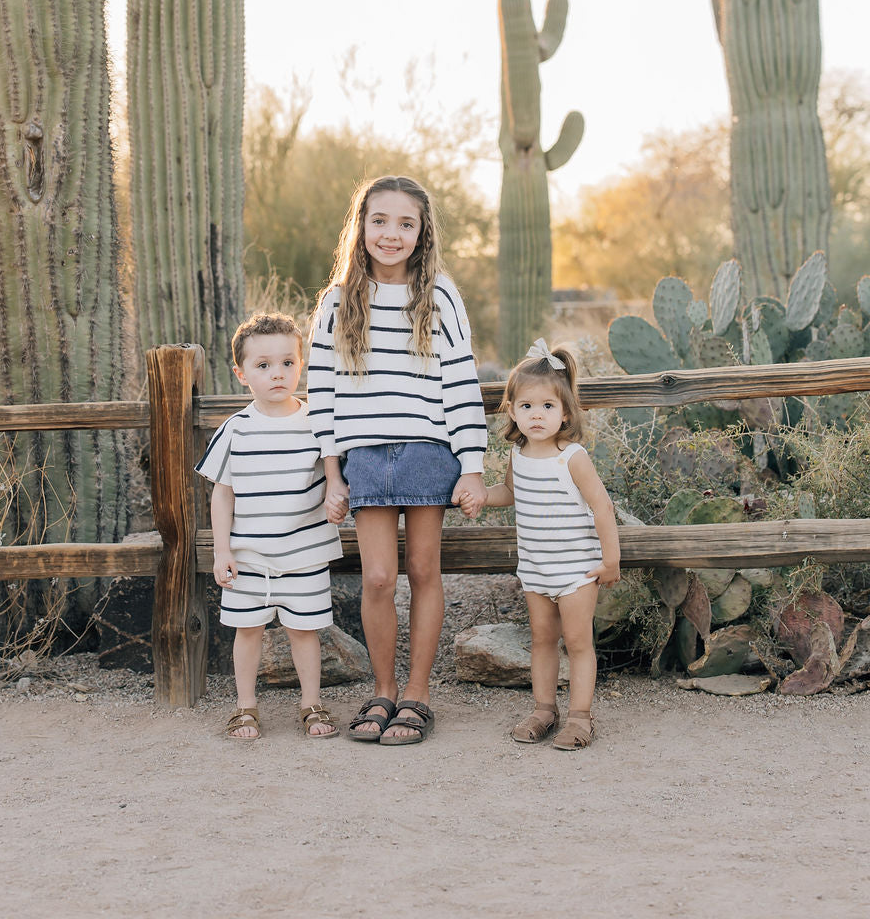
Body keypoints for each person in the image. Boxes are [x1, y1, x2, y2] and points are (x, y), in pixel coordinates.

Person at [309, 174, 487, 745]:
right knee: (379, 577)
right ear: (361, 227)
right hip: (364, 455)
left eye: (405, 224)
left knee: (423, 571)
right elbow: (322, 391)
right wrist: (332, 473)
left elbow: (461, 382)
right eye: (379, 221)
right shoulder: (338, 301)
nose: (391, 234)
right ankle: (383, 690)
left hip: (428, 451)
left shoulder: (439, 296)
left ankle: (417, 693)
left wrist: (473, 465)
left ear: (422, 232)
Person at [465, 339, 620, 750]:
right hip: (536, 568)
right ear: (512, 411)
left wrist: (611, 561)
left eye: (548, 406)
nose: (537, 415)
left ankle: (580, 717)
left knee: (578, 642)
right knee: (541, 640)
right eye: (527, 406)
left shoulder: (572, 457)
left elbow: (603, 507)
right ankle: (544, 709)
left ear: (565, 412)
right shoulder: (519, 454)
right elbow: (510, 492)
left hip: (576, 570)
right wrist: (482, 496)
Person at [196, 311, 343, 741]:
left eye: (287, 363)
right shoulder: (235, 430)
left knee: (304, 632)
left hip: (304, 554)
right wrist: (222, 551)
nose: (277, 374)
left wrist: (336, 498)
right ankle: (245, 706)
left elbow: (335, 477)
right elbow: (222, 494)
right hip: (248, 556)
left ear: (301, 365)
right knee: (248, 631)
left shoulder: (318, 424)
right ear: (241, 374)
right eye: (263, 365)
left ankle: (311, 703)